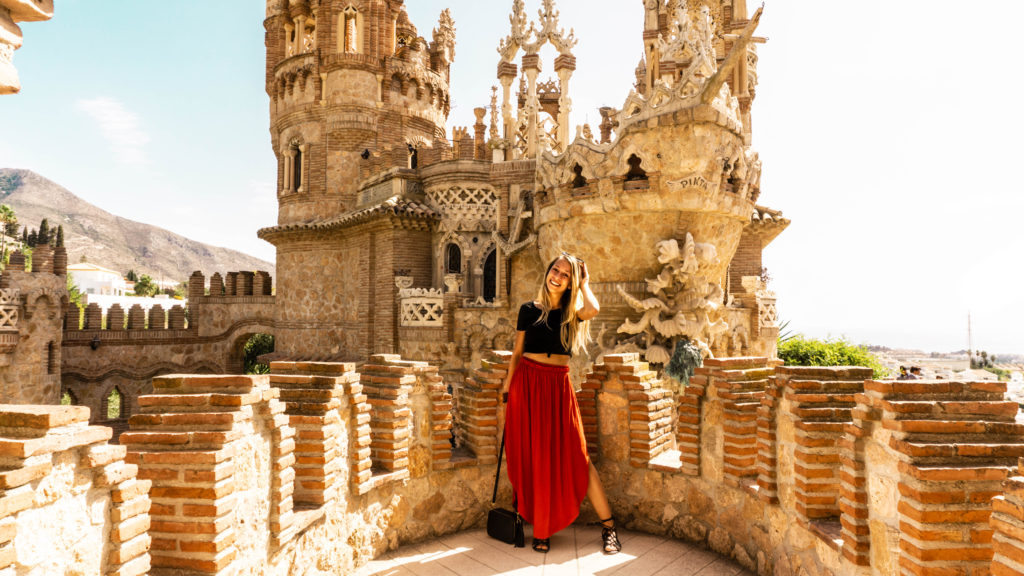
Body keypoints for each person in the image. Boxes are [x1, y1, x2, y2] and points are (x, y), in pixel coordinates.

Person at [501, 252, 621, 555]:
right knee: (535, 456)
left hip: (557, 387)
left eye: (565, 274)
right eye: (555, 270)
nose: (557, 276)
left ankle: (609, 528)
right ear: (548, 271)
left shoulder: (572, 313)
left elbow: (593, 307)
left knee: (580, 458)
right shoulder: (529, 310)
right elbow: (517, 353)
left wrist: (585, 283)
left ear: (571, 282)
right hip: (526, 385)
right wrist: (507, 391)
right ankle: (542, 530)